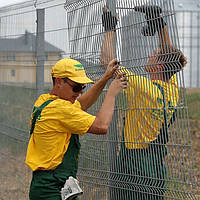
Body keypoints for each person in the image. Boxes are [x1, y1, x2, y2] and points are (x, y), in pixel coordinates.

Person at [100, 5, 187, 200]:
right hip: (156, 164)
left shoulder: (143, 88)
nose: (149, 55)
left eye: (153, 55)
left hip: (135, 165)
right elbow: (170, 56)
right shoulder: (171, 88)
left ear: (159, 65)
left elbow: (107, 64)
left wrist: (109, 28)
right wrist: (158, 21)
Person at [25, 57, 127, 200]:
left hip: (52, 185)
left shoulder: (46, 101)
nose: (79, 92)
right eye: (76, 87)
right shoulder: (60, 108)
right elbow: (101, 125)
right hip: (52, 188)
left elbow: (80, 105)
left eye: (82, 87)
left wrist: (105, 78)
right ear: (59, 81)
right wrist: (111, 93)